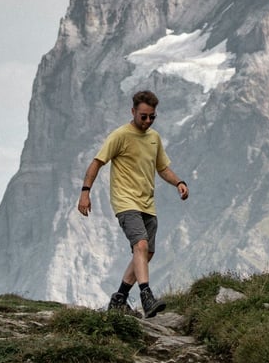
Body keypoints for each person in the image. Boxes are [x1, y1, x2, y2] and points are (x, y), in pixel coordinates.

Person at [77, 90, 189, 317]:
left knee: (146, 254)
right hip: (125, 201)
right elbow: (97, 163)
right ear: (133, 112)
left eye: (152, 117)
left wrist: (178, 182)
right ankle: (146, 296)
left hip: (147, 203)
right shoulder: (120, 135)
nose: (147, 121)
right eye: (143, 116)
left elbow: (162, 168)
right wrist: (85, 192)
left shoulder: (154, 138)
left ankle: (119, 298)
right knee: (140, 246)